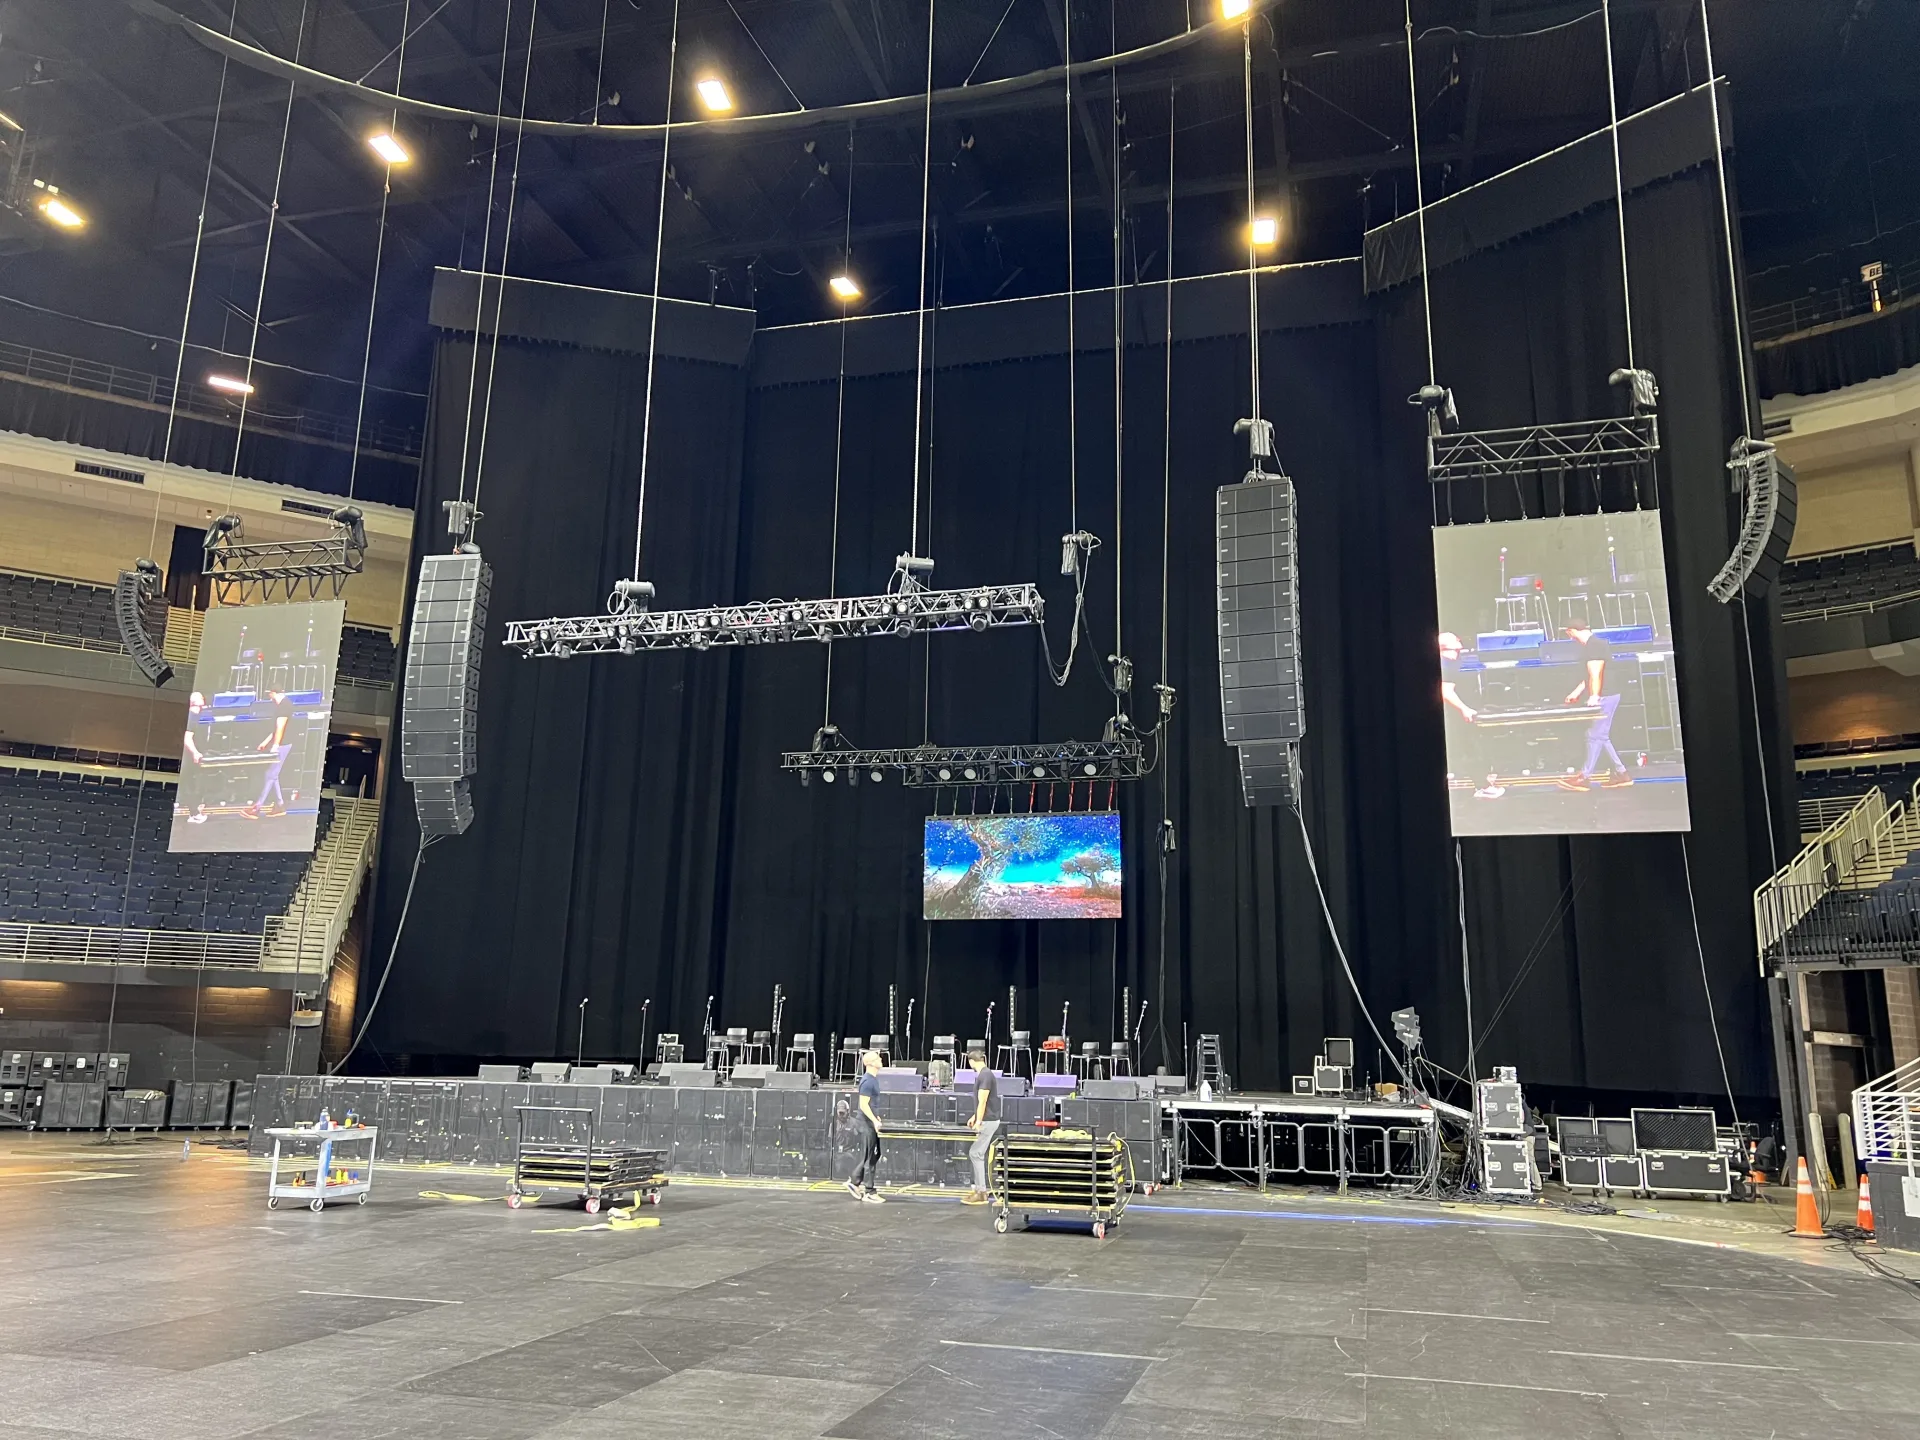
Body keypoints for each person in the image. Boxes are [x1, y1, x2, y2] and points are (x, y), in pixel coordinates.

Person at [1557, 626, 1633, 791]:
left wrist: (1594, 696)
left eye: (1569, 634)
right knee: (1601, 736)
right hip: (1607, 694)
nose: (1571, 638)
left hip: (1606, 695)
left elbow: (1596, 674)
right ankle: (1622, 773)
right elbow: (1590, 676)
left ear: (1572, 630)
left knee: (1593, 735)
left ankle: (1585, 777)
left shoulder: (1594, 645)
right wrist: (1576, 692)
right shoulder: (1593, 645)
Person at [1438, 632, 1503, 800]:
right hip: (1453, 716)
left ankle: (1483, 784)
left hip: (1454, 715)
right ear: (1445, 646)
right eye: (1454, 638)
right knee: (1470, 750)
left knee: (1469, 749)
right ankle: (1482, 787)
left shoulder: (1453, 662)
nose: (1459, 639)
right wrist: (1464, 709)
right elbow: (1445, 692)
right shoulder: (1446, 664)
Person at [845, 1049, 885, 1203]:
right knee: (870, 1157)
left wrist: (876, 1116)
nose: (880, 1059)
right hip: (866, 1123)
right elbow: (863, 1104)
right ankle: (869, 1191)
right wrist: (874, 1120)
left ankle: (854, 1182)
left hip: (870, 1121)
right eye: (877, 1058)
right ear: (870, 1063)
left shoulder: (873, 1079)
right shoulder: (868, 1081)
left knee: (873, 1154)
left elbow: (871, 1104)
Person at [246, 691, 295, 816]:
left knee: (270, 774)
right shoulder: (283, 705)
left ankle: (257, 807)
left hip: (283, 744)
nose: (270, 698)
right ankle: (280, 805)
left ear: (273, 693)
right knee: (274, 775)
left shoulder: (284, 706)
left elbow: (280, 727)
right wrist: (266, 742)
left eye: (270, 695)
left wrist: (275, 746)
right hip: (282, 744)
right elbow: (275, 729)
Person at [963, 1048, 1001, 1206]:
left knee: (976, 1153)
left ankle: (981, 1192)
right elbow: (982, 1102)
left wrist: (979, 1121)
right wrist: (975, 1116)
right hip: (988, 1118)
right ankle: (980, 1190)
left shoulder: (984, 1075)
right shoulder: (986, 1074)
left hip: (989, 1120)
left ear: (971, 1062)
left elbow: (983, 1100)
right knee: (977, 1153)